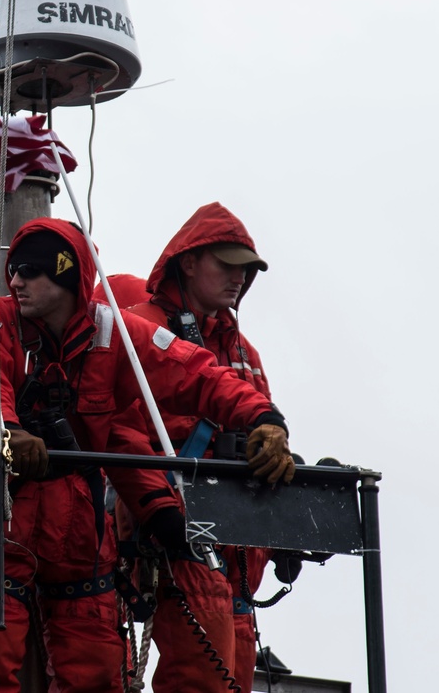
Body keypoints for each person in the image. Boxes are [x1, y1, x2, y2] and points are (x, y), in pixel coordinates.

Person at [0, 217, 294, 692]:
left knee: (98, 675)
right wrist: (9, 433)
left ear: (66, 276)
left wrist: (265, 420)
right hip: (8, 520)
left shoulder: (116, 334)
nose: (16, 279)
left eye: (31, 270)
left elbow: (196, 374)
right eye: (15, 271)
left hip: (83, 533)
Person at [104, 201, 289, 693]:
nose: (238, 279)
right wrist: (158, 516)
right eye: (227, 265)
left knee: (234, 677)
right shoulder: (136, 327)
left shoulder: (243, 351)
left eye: (245, 270)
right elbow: (119, 432)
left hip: (238, 551)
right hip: (170, 535)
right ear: (187, 261)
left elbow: (262, 434)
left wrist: (285, 523)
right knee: (200, 680)